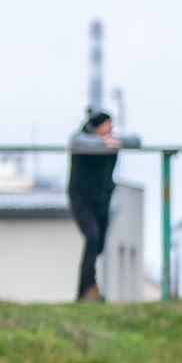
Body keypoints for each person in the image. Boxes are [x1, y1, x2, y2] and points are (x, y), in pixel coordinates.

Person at [68, 110, 127, 303]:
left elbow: (134, 140)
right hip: (82, 198)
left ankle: (88, 287)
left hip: (102, 199)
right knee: (92, 237)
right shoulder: (82, 141)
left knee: (98, 244)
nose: (111, 129)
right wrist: (103, 143)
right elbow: (77, 141)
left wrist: (114, 142)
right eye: (107, 125)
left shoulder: (112, 141)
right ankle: (86, 288)